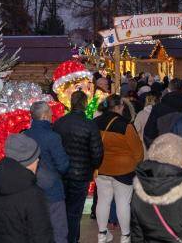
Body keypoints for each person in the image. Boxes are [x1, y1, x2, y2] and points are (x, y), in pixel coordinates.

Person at [0, 134, 54, 243]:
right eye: (37, 158)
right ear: (29, 161)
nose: (38, 161)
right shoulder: (33, 195)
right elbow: (43, 238)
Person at [53, 91, 104, 243]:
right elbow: (97, 152)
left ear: (71, 102)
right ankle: (72, 239)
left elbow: (55, 148)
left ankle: (63, 238)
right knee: (75, 212)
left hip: (61, 173)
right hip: (81, 174)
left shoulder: (59, 123)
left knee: (62, 210)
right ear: (85, 104)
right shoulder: (90, 125)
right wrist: (93, 166)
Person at [93, 94, 144, 243]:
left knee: (103, 201)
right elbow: (138, 152)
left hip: (101, 168)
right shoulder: (126, 125)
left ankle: (102, 234)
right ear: (119, 107)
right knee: (123, 203)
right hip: (124, 170)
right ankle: (125, 236)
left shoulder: (95, 122)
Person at [24, 101, 70, 243]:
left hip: (30, 189)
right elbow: (63, 165)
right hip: (52, 191)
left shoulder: (25, 135)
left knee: (35, 230)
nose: (52, 115)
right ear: (44, 116)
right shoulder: (53, 137)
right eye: (50, 112)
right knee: (59, 230)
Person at [143, 78, 182, 148]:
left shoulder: (158, 108)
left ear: (168, 90)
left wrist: (155, 149)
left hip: (163, 149)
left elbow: (148, 134)